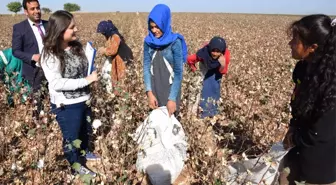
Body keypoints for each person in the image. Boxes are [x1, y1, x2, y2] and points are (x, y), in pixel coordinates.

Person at [40, 10, 99, 176]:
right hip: (66, 105)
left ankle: (84, 153)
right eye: (72, 27)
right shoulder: (49, 54)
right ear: (60, 31)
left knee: (84, 130)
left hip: (84, 99)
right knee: (71, 137)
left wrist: (91, 70)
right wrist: (86, 81)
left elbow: (83, 69)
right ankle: (75, 165)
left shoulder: (76, 47)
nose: (77, 29)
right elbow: (57, 83)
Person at [279, 14, 336, 185]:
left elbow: (320, 134)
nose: (290, 44)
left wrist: (295, 137)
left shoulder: (330, 84)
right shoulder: (304, 70)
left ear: (312, 47)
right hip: (299, 155)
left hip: (318, 169)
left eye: (295, 40)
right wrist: (293, 127)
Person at [143, 4, 188, 116]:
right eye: (151, 27)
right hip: (154, 88)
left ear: (165, 23)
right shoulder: (148, 42)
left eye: (157, 27)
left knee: (171, 125)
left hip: (170, 89)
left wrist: (172, 99)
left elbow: (178, 73)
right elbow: (146, 67)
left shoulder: (174, 42)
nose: (154, 30)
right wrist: (149, 93)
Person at [187, 36, 230, 118]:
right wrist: (194, 70)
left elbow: (223, 71)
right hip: (205, 68)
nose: (214, 53)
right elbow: (190, 60)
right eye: (213, 50)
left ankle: (210, 116)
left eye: (218, 51)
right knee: (199, 90)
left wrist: (223, 64)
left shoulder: (225, 55)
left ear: (222, 51)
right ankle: (196, 115)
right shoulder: (204, 53)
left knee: (213, 91)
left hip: (217, 71)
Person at [12, 0, 47, 91]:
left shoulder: (49, 24)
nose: (36, 11)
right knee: (37, 100)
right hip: (33, 71)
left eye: (38, 8)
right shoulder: (19, 28)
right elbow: (16, 51)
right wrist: (32, 56)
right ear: (26, 12)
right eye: (32, 9)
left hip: (52, 69)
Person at [97, 20, 126, 93]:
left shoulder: (115, 36)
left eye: (103, 32)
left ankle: (118, 94)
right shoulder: (110, 36)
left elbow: (113, 51)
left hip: (121, 59)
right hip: (115, 59)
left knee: (119, 78)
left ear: (107, 29)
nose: (103, 34)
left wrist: (104, 50)